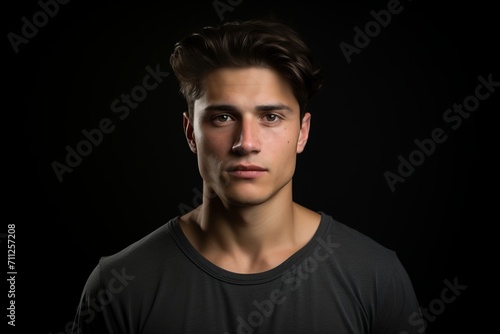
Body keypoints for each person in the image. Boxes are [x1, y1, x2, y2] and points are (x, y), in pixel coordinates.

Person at [72, 18, 424, 333]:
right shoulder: (119, 285)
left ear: (302, 133)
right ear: (190, 133)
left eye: (270, 117)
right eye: (223, 117)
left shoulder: (375, 276)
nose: (246, 143)